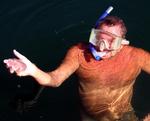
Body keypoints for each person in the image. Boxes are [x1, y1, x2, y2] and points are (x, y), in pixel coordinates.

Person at [3, 16, 150, 121]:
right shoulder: (78, 54)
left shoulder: (136, 56)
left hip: (124, 115)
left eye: (112, 41)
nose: (101, 46)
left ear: (123, 42)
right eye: (98, 38)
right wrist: (32, 70)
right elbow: (54, 80)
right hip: (89, 117)